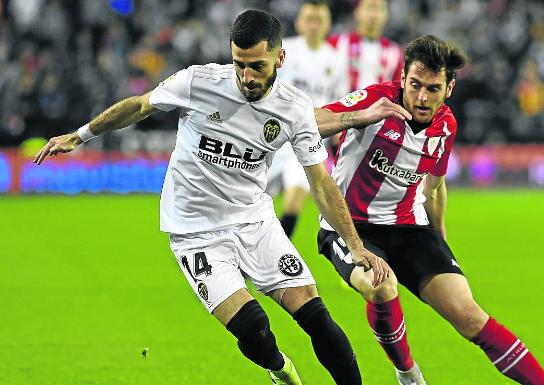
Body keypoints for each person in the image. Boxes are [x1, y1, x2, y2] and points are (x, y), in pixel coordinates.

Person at [33, 10, 391, 385]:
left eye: (257, 66)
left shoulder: (294, 108)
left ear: (279, 59)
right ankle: (279, 368)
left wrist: (354, 245)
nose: (247, 77)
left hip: (255, 222)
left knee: (316, 316)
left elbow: (321, 183)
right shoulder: (198, 82)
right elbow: (140, 105)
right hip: (195, 230)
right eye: (239, 64)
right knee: (254, 330)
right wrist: (80, 135)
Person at [314, 35, 544, 385]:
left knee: (471, 317)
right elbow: (310, 122)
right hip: (351, 225)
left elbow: (435, 187)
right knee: (382, 287)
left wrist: (440, 240)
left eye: (432, 88)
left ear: (449, 87)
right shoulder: (375, 99)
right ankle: (408, 372)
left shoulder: (446, 126)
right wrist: (360, 117)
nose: (422, 97)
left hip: (411, 228)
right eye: (415, 85)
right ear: (402, 79)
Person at [268, 0, 348, 237]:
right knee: (249, 201)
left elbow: (339, 104)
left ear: (328, 24)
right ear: (299, 23)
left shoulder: (336, 60)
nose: (314, 25)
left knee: (293, 202)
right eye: (309, 19)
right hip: (273, 138)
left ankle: (272, 255)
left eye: (319, 20)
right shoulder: (283, 51)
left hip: (307, 142)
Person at [327, 0, 403, 92]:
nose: (374, 14)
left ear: (387, 15)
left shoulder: (396, 52)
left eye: (380, 8)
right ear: (356, 12)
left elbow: (398, 91)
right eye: (369, 7)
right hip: (339, 103)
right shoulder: (336, 43)